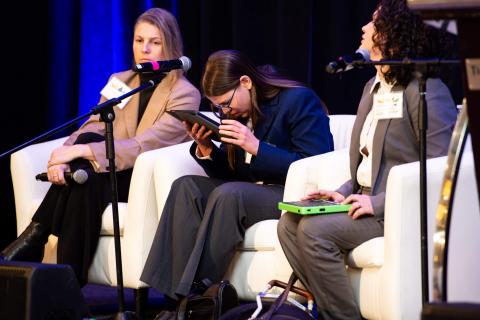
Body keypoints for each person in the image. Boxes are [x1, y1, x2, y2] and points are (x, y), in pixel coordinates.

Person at [277, 1, 458, 319]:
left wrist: (378, 202)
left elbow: (439, 168)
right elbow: (369, 162)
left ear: (393, 34)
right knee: (289, 225)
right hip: (366, 202)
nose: (364, 29)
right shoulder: (372, 87)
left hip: (398, 210)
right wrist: (343, 191)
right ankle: (332, 308)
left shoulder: (425, 90)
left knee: (314, 231)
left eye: (374, 23)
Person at [0, 8, 200, 286]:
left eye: (154, 42)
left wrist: (80, 153)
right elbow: (91, 127)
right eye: (139, 40)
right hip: (103, 172)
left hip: (140, 178)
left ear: (171, 45)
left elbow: (146, 144)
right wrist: (62, 158)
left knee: (85, 169)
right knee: (84, 178)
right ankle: (66, 283)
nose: (145, 49)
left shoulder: (185, 94)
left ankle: (37, 234)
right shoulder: (122, 81)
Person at [140, 49, 334, 304]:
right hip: (252, 191)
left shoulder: (298, 100)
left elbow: (315, 163)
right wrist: (207, 150)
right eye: (216, 106)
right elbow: (235, 174)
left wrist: (256, 147)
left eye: (226, 103)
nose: (224, 111)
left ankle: (198, 296)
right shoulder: (236, 114)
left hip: (291, 193)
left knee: (229, 194)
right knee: (185, 186)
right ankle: (170, 298)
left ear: (245, 82)